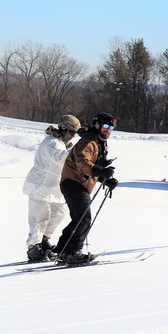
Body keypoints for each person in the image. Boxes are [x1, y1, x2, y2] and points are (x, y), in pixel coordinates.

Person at [52, 112, 119, 264]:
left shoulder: (99, 141)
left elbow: (93, 166)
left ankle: (62, 249)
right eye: (106, 126)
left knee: (79, 218)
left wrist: (106, 179)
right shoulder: (89, 141)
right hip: (73, 182)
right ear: (97, 125)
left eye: (112, 128)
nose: (108, 130)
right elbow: (82, 162)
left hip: (77, 182)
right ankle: (72, 252)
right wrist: (100, 171)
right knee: (84, 218)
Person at [22, 114, 80, 262]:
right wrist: (80, 149)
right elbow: (60, 158)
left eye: (76, 133)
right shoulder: (51, 142)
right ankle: (33, 247)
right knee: (40, 218)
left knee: (60, 212)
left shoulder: (62, 144)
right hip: (40, 186)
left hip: (54, 189)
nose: (73, 136)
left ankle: (44, 239)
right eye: (72, 132)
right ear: (64, 128)